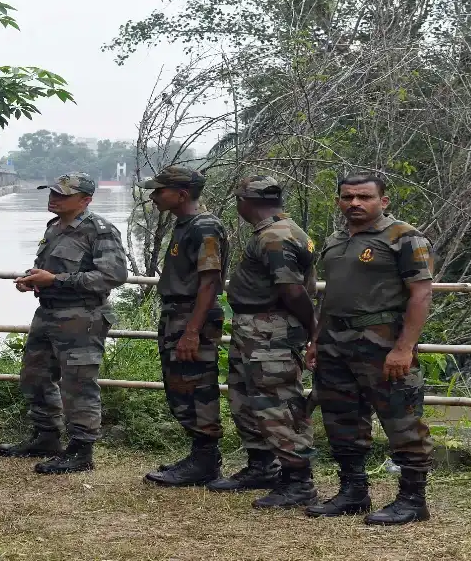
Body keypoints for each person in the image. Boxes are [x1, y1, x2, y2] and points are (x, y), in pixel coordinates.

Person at [305, 172, 435, 525]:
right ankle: (353, 491)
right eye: (348, 197)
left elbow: (421, 294)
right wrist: (317, 340)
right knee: (341, 418)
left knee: (402, 419)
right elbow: (329, 295)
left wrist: (404, 348)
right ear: (339, 201)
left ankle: (412, 500)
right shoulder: (334, 241)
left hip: (382, 343)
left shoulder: (404, 238)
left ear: (383, 201)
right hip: (336, 342)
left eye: (364, 197)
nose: (355, 204)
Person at [0, 172, 128, 474]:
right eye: (52, 192)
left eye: (62, 195)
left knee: (78, 384)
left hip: (82, 317)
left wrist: (56, 280)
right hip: (48, 313)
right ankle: (46, 437)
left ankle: (81, 451)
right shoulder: (54, 228)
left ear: (84, 200)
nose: (53, 198)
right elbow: (51, 270)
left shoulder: (100, 231)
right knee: (35, 375)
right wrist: (34, 280)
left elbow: (113, 276)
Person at [218, 176, 319, 508]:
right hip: (254, 327)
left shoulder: (276, 236)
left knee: (277, 403)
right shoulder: (272, 232)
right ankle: (262, 466)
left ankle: (298, 481)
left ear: (245, 202)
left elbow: (293, 290)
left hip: (271, 330)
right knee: (246, 399)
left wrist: (312, 329)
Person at [140, 165, 229, 487]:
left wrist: (192, 330)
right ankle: (200, 455)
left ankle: (205, 459)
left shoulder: (204, 227)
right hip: (178, 314)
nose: (153, 196)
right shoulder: (184, 225)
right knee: (179, 386)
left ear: (182, 193)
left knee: (196, 387)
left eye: (159, 190)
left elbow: (209, 281)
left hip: (192, 315)